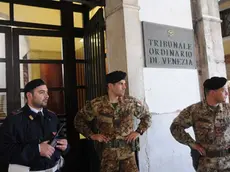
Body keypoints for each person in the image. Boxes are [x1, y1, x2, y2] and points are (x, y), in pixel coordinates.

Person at [74, 70, 152, 172]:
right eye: (121, 84)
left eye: (124, 84)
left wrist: (138, 131)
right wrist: (92, 135)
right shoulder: (97, 104)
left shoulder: (130, 102)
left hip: (127, 155)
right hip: (107, 156)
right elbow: (78, 120)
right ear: (110, 86)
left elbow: (147, 117)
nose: (124, 87)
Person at [0, 79, 68, 172]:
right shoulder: (14, 120)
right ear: (29, 95)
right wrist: (37, 149)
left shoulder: (52, 116)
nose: (47, 96)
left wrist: (65, 146)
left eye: (47, 92)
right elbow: (4, 150)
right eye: (41, 92)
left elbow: (60, 138)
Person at [170, 76, 230, 172]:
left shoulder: (228, 109)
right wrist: (192, 144)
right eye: (223, 91)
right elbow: (175, 127)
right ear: (212, 92)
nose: (227, 93)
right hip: (206, 165)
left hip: (227, 164)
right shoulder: (194, 110)